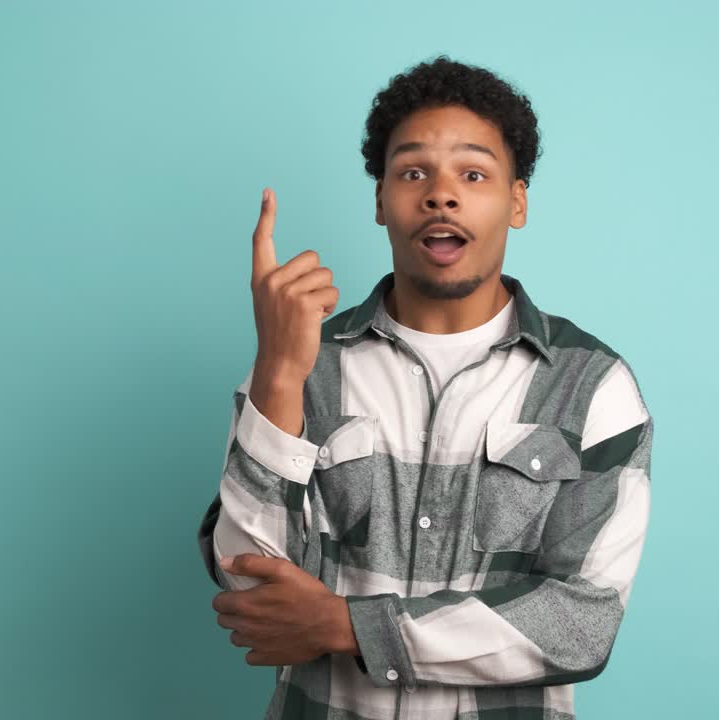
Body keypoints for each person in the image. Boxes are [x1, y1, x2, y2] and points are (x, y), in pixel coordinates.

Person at [196, 55, 654, 720]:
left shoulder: (594, 388)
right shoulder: (296, 368)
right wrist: (277, 375)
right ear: (380, 200)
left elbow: (581, 622)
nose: (442, 194)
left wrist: (345, 625)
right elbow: (247, 585)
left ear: (517, 201)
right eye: (413, 172)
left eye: (473, 173)